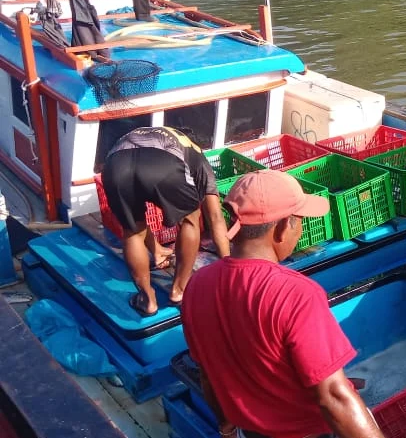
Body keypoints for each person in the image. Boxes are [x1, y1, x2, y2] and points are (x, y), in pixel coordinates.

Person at [181, 170, 384, 438]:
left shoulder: (198, 284)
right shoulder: (296, 293)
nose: (299, 230)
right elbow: (334, 397)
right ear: (282, 227)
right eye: (299, 221)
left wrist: (227, 428)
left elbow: (208, 374)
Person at [100, 126, 230, 317]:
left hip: (115, 164)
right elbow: (215, 218)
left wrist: (157, 250)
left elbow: (141, 222)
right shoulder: (199, 158)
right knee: (190, 220)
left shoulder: (159, 132)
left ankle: (147, 300)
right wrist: (229, 265)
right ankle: (179, 290)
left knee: (133, 231)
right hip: (163, 163)